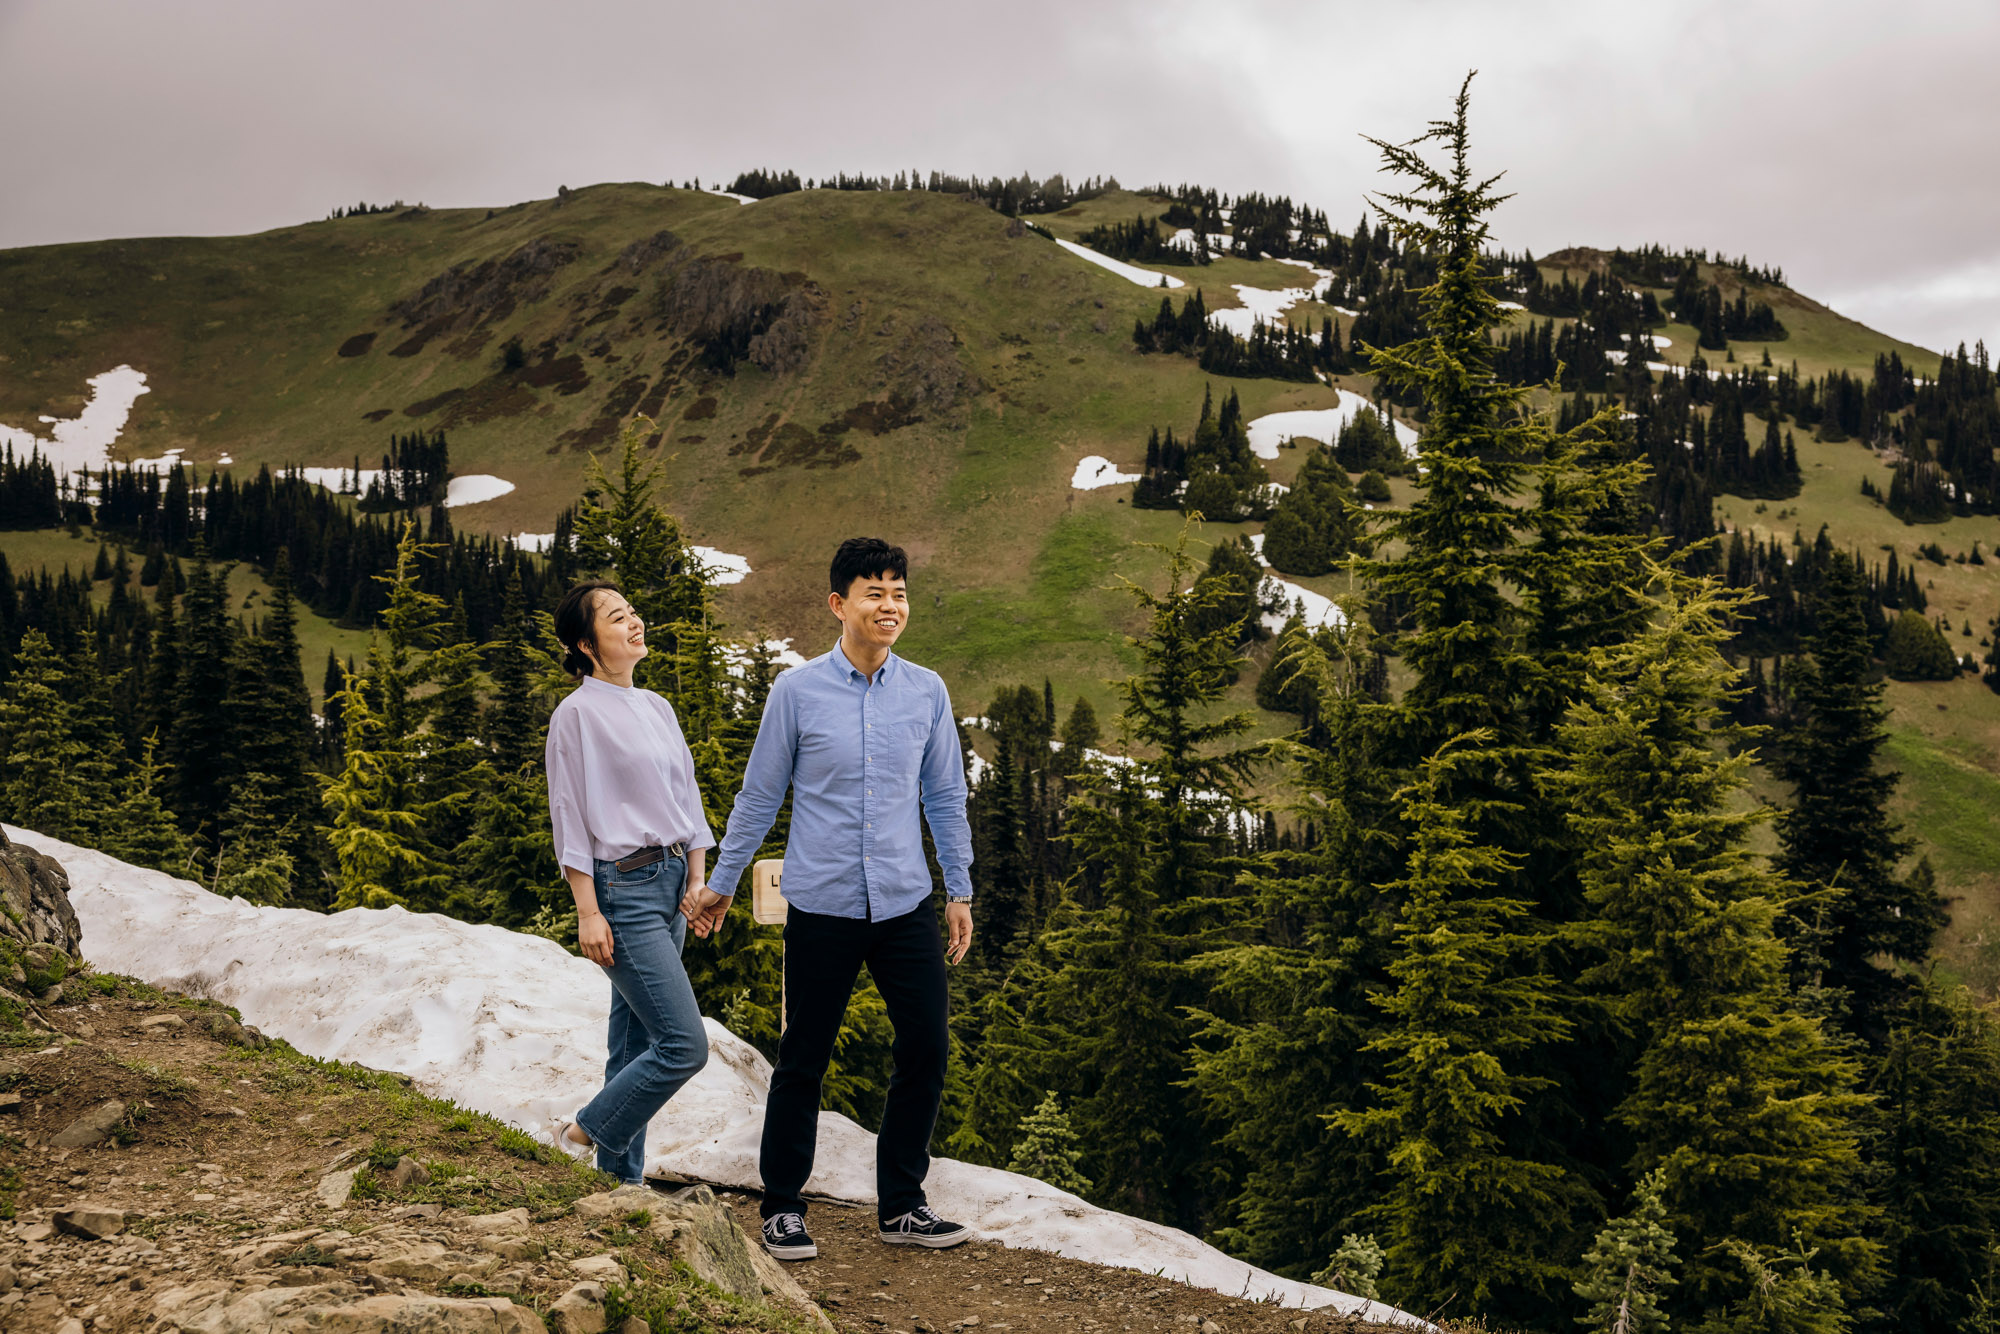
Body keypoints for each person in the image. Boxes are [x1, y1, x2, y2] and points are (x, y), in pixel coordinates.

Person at [686, 537, 974, 1261]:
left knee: (927, 1049)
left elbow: (944, 795)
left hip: (906, 903)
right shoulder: (797, 691)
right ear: (838, 603)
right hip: (823, 905)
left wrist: (959, 890)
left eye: (899, 592)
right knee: (804, 1058)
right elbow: (760, 795)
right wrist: (723, 883)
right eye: (874, 592)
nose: (890, 605)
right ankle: (782, 1206)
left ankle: (902, 1205)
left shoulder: (927, 691)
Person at [543, 579, 716, 1185]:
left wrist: (697, 879)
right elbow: (569, 819)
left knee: (633, 1043)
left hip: (672, 884)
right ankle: (579, 1132)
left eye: (634, 613)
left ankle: (620, 1185)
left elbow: (686, 799)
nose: (635, 623)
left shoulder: (657, 707)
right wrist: (588, 912)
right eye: (618, 618)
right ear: (588, 645)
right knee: (681, 1045)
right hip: (622, 892)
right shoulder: (576, 716)